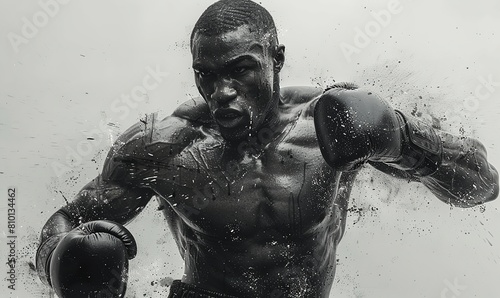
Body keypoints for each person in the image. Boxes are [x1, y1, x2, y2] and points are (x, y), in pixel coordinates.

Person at [35, 0, 499, 297]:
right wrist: (63, 259)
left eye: (240, 70)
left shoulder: (329, 123)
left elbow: (482, 186)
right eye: (207, 74)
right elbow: (62, 224)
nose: (222, 94)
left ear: (276, 58)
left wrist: (404, 139)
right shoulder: (161, 147)